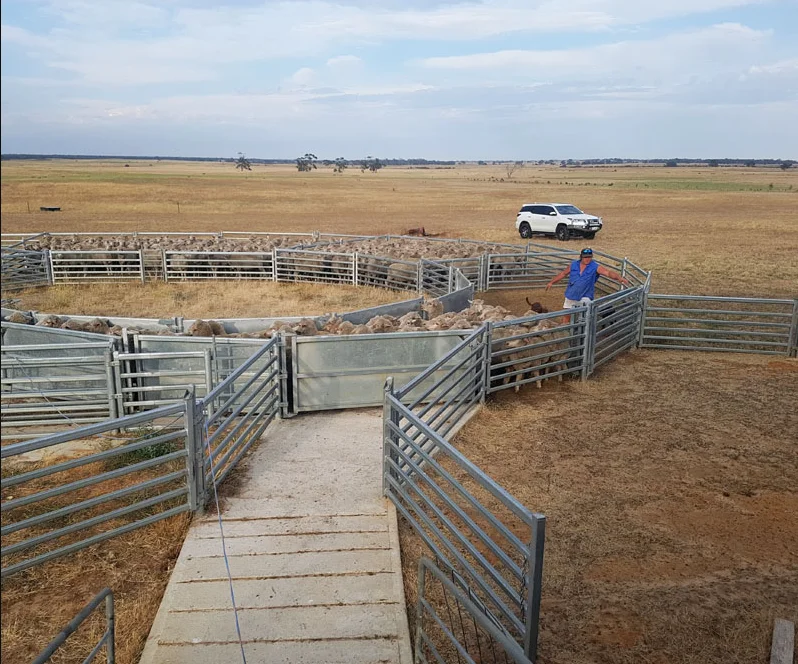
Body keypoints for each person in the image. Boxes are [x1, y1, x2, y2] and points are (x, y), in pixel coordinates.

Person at [545, 248, 629, 311]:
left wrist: (619, 278)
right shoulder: (574, 265)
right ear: (581, 257)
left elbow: (608, 273)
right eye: (585, 257)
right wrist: (552, 282)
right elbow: (563, 273)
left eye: (589, 257)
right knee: (567, 314)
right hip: (571, 294)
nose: (587, 259)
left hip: (585, 296)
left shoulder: (595, 267)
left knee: (586, 316)